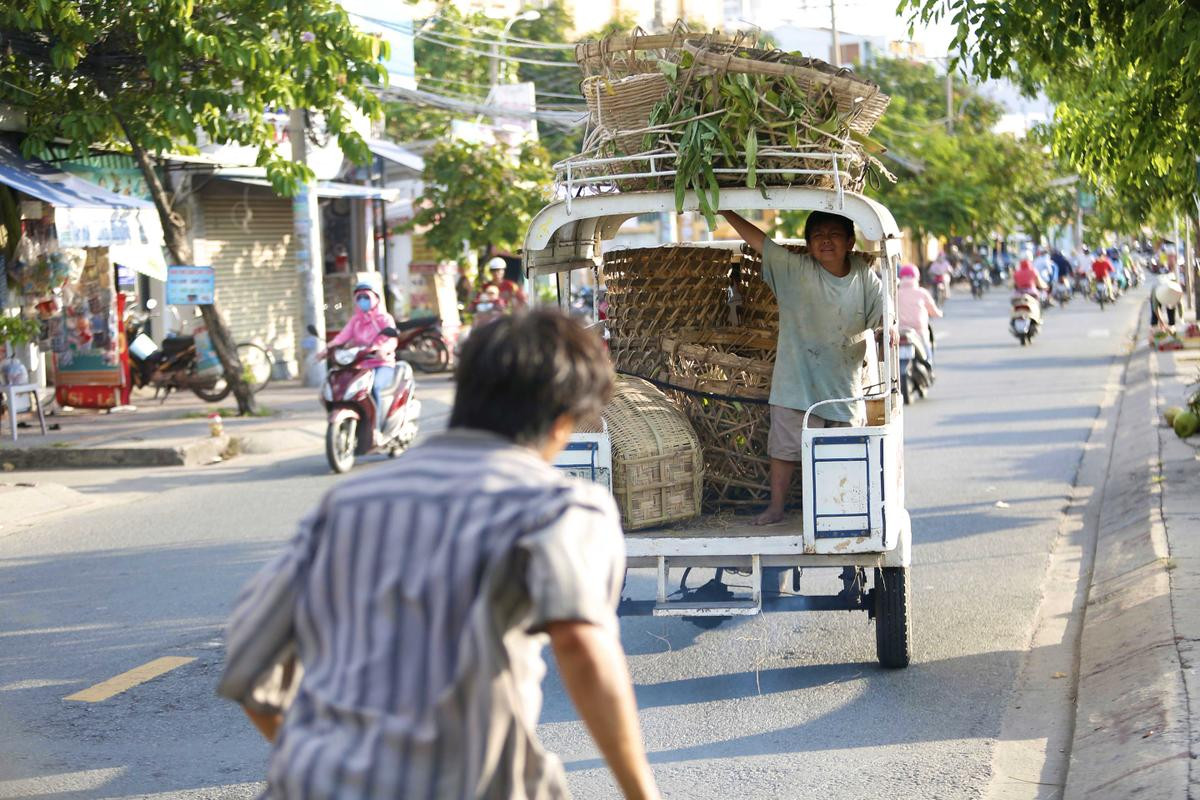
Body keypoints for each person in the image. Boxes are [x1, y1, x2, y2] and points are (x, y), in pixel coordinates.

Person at [217, 311, 661, 800]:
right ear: (562, 421)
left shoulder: (348, 502)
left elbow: (249, 661)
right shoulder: (557, 506)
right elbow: (581, 646)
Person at [720, 209, 883, 526]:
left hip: (843, 388)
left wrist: (887, 328)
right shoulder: (793, 269)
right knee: (784, 451)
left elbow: (884, 314)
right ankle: (776, 508)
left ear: (850, 241)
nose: (826, 240)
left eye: (834, 234)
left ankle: (842, 510)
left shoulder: (864, 275)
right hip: (795, 383)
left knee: (844, 454)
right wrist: (725, 209)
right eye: (818, 235)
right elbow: (760, 241)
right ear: (808, 244)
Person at [317, 283, 396, 435]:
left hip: (381, 364)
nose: (362, 301)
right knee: (339, 386)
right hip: (360, 365)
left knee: (373, 388)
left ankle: (376, 426)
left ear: (376, 299)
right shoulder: (356, 320)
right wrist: (326, 350)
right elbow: (341, 338)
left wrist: (383, 349)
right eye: (359, 298)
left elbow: (391, 339)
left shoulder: (384, 319)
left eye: (366, 297)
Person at [897, 264, 942, 371]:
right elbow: (933, 310)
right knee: (927, 349)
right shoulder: (922, 292)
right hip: (919, 329)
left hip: (900, 329)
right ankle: (929, 367)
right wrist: (939, 313)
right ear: (917, 277)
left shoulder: (896, 293)